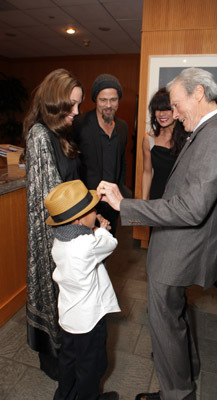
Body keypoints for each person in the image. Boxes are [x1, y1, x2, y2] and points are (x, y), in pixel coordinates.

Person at [97, 68, 217, 400]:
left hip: (180, 250)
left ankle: (176, 393)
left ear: (197, 95)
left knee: (164, 322)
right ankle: (187, 372)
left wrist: (127, 206)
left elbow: (192, 208)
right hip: (183, 246)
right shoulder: (216, 130)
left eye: (178, 105)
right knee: (175, 315)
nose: (175, 115)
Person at [23, 68, 84, 380]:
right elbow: (52, 198)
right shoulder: (39, 135)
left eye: (77, 105)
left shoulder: (60, 132)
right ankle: (59, 370)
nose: (76, 112)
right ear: (53, 102)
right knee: (56, 302)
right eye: (71, 105)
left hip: (70, 235)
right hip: (54, 241)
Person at [44, 179, 120, 400]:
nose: (96, 211)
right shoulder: (87, 245)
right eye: (92, 210)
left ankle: (64, 396)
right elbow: (110, 244)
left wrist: (92, 227)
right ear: (78, 219)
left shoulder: (60, 241)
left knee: (68, 361)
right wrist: (101, 229)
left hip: (68, 317)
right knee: (92, 365)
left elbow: (84, 237)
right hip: (90, 320)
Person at [73, 73, 129, 236]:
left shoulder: (122, 126)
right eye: (103, 100)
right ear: (95, 100)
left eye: (113, 99)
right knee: (88, 253)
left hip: (112, 203)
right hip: (87, 205)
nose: (108, 105)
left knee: (107, 246)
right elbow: (73, 165)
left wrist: (121, 193)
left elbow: (122, 162)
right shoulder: (80, 124)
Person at [142, 87, 187, 200]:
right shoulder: (149, 139)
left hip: (180, 200)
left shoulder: (188, 138)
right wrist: (143, 203)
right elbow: (147, 173)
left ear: (176, 110)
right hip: (156, 198)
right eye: (157, 109)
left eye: (166, 109)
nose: (162, 114)